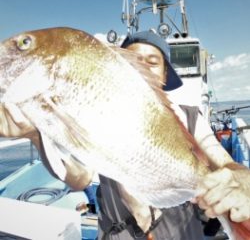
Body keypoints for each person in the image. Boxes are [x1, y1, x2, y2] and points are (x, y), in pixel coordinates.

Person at [1, 31, 250, 239]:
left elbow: (225, 162)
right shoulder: (97, 116)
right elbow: (81, 179)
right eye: (132, 59)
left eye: (152, 61)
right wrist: (36, 135)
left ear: (164, 75)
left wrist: (242, 181)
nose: (141, 65)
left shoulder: (191, 117)